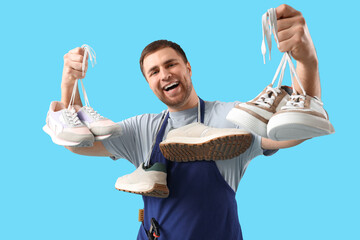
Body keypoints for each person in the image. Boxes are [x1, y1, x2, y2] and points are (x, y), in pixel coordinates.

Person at [61, 4, 321, 239]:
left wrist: (307, 60)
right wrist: (69, 82)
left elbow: (295, 130)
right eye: (154, 71)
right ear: (149, 84)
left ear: (188, 68)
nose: (165, 74)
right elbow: (76, 142)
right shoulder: (143, 129)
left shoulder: (229, 117)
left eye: (171, 64)